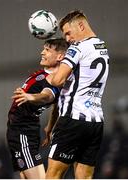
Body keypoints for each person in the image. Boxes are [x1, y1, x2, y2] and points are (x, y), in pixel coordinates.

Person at [45, 10, 110, 179]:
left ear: (80, 25)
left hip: (73, 121)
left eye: (68, 33)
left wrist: (48, 74)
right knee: (85, 177)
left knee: (53, 175)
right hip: (95, 122)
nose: (67, 39)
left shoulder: (77, 48)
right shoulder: (102, 47)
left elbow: (58, 80)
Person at [6, 38, 69, 179]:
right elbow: (56, 105)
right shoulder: (46, 73)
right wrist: (50, 126)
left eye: (47, 50)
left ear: (60, 56)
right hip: (21, 131)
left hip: (24, 132)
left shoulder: (54, 79)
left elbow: (47, 96)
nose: (42, 52)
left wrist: (31, 97)